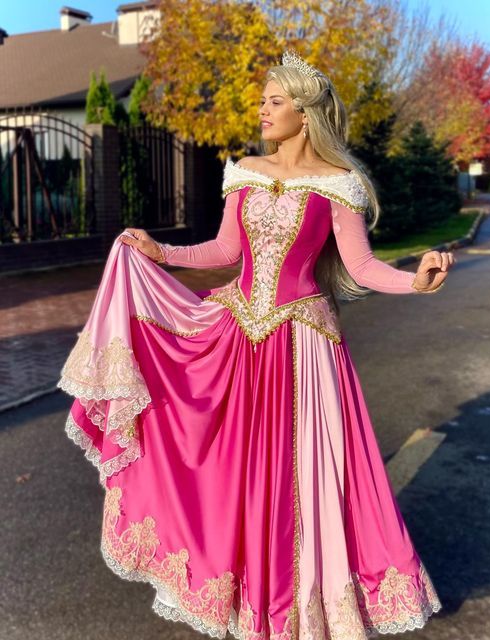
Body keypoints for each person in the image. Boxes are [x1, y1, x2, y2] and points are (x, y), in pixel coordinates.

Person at [58, 50, 453, 640]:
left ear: (305, 110)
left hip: (305, 346)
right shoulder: (244, 170)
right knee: (233, 473)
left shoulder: (337, 185)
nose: (262, 110)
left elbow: (364, 267)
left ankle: (304, 609)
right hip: (239, 336)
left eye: (274, 101)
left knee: (302, 480)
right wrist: (160, 252)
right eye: (263, 101)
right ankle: (251, 603)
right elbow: (223, 252)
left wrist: (415, 282)